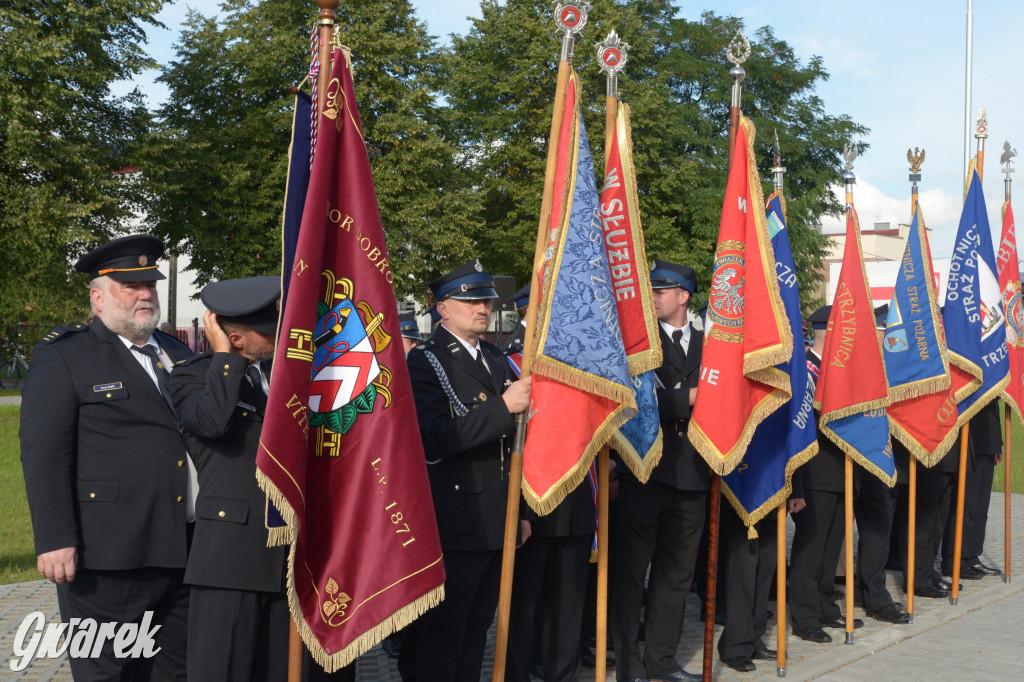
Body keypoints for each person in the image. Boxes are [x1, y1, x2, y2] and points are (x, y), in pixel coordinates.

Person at [20, 234, 195, 680]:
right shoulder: (65, 355)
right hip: (108, 555)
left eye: (150, 285)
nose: (145, 295)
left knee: (176, 669)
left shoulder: (176, 352)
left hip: (182, 546)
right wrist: (55, 537)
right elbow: (45, 452)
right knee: (108, 672)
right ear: (98, 299)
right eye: (130, 286)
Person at [399, 259, 532, 682]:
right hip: (456, 521)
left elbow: (515, 447)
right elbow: (436, 438)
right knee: (443, 636)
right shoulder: (427, 362)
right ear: (443, 308)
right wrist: (502, 408)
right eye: (471, 299)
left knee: (476, 633)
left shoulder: (495, 358)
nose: (483, 308)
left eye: (486, 300)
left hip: (500, 516)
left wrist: (523, 512)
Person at [169, 276, 289, 681]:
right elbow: (212, 423)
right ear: (234, 337)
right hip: (230, 556)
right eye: (267, 332)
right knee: (222, 671)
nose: (278, 337)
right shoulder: (194, 376)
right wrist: (226, 359)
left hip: (292, 552)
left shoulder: (292, 374)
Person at [611, 260, 707, 682]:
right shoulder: (637, 343)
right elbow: (637, 401)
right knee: (631, 575)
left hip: (694, 474)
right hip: (645, 472)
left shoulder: (711, 343)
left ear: (683, 296)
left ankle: (661, 664)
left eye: (659, 292)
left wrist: (691, 398)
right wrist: (689, 398)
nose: (650, 299)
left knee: (676, 577)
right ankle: (629, 665)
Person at [789, 305, 863, 644]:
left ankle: (824, 606)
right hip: (815, 473)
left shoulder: (837, 370)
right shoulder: (806, 370)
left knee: (832, 546)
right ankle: (804, 616)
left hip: (841, 473)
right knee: (811, 549)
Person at [854, 305, 911, 623]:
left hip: (885, 458)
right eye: (882, 331)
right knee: (833, 534)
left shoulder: (898, 365)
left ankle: (872, 594)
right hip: (854, 455)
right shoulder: (857, 361)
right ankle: (859, 593)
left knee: (878, 530)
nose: (886, 338)